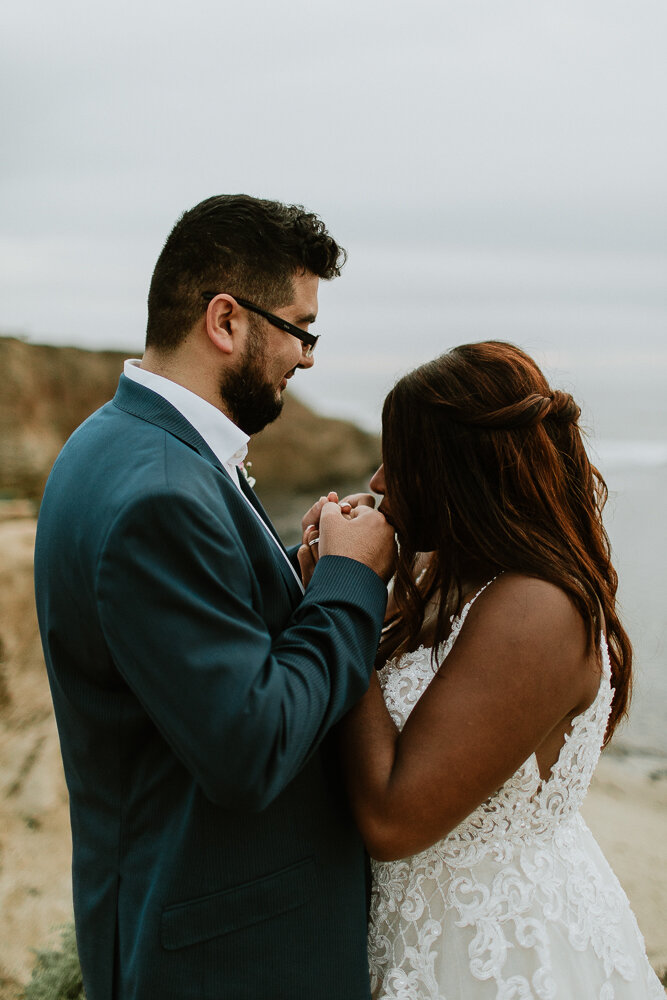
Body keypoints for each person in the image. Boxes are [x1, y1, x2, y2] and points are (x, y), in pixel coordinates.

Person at [33, 194, 395, 1000]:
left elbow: (200, 668)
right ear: (226, 321)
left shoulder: (115, 445)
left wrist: (296, 589)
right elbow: (249, 746)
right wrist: (350, 582)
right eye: (301, 329)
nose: (307, 359)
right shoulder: (159, 492)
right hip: (222, 960)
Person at [301, 341, 663, 998]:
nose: (379, 482)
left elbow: (393, 821)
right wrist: (328, 587)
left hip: (497, 953)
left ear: (460, 472)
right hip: (413, 937)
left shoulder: (536, 608)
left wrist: (344, 592)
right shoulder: (438, 578)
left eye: (401, 461)